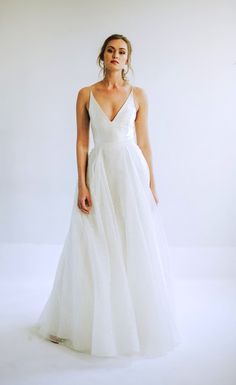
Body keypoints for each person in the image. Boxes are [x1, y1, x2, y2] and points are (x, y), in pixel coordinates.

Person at [34, 33, 181, 358]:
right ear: (102, 56)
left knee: (132, 241)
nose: (116, 55)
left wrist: (151, 184)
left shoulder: (139, 95)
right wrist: (83, 184)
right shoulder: (86, 94)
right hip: (99, 173)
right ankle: (90, 321)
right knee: (95, 242)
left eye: (122, 52)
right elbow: (82, 142)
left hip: (130, 173)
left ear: (128, 60)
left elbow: (144, 144)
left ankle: (135, 322)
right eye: (111, 50)